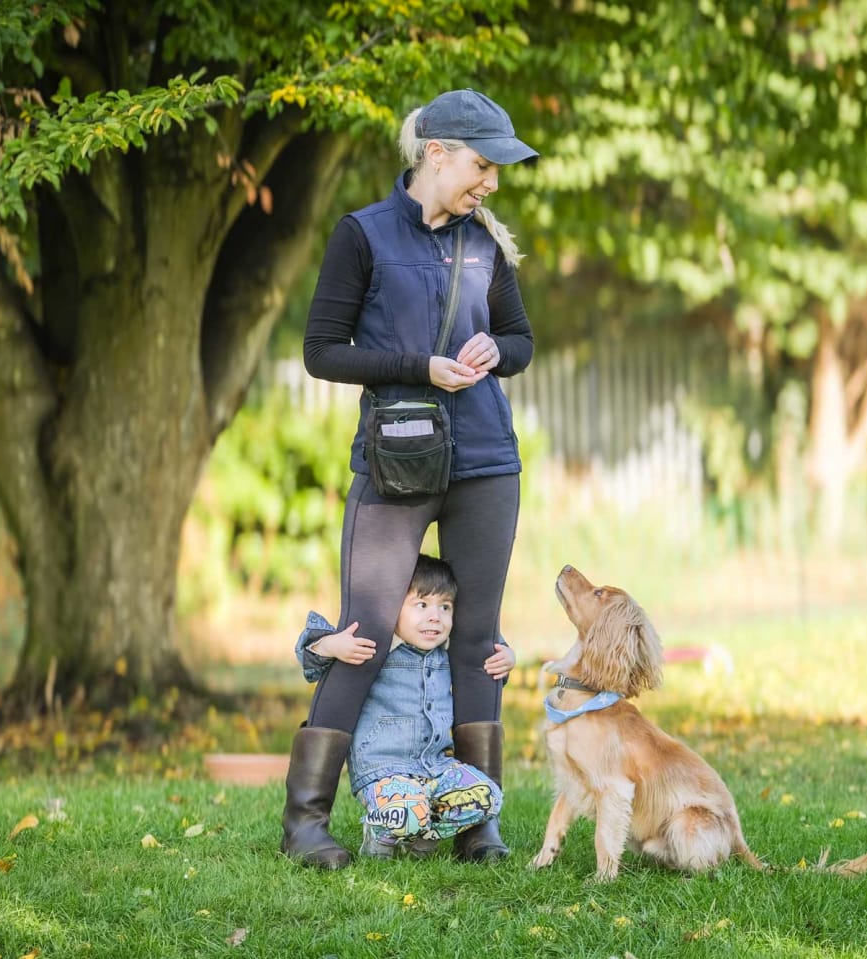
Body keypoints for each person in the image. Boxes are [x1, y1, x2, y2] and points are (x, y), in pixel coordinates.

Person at [281, 88, 539, 868]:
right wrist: (416, 367)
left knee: (477, 637)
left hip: (487, 459)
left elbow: (521, 338)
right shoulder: (361, 235)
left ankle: (476, 822)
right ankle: (305, 825)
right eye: (482, 165)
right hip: (396, 458)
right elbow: (323, 350)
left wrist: (498, 351)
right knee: (361, 634)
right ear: (437, 153)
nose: (491, 182)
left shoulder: (486, 242)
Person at [295, 555, 516, 859]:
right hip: (385, 771)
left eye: (445, 607)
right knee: (407, 810)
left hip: (437, 767)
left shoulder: (448, 655)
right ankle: (381, 834)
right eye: (422, 605)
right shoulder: (379, 650)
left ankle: (423, 835)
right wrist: (330, 645)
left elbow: (484, 670)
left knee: (488, 797)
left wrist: (508, 659)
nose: (435, 617)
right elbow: (309, 657)